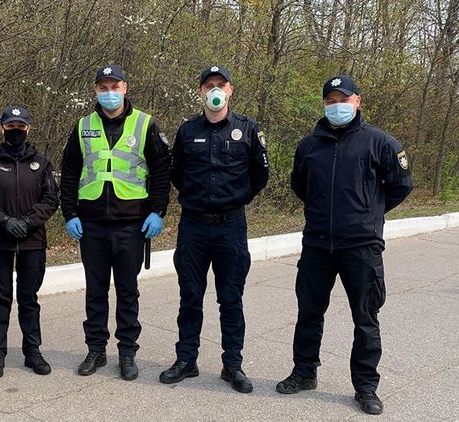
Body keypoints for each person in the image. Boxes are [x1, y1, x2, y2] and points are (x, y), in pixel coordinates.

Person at [276, 75, 413, 415]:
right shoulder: (309, 145)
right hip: (317, 245)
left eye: (343, 99)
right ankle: (304, 372)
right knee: (309, 312)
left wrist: (370, 212)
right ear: (324, 104)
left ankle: (365, 386)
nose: (337, 106)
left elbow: (400, 185)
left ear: (357, 101)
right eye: (331, 100)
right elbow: (300, 185)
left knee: (365, 318)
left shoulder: (380, 142)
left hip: (362, 246)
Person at [159, 65, 269, 393]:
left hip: (231, 227)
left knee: (231, 298)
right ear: (201, 92)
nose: (215, 90)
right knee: (190, 296)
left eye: (221, 84)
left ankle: (232, 364)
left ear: (230, 90)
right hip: (193, 227)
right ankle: (186, 360)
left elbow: (260, 175)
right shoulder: (187, 130)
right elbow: (176, 173)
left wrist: (236, 198)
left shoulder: (248, 128)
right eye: (209, 85)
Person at [60, 65, 171, 381]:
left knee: (127, 291)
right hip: (91, 225)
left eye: (114, 86)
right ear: (96, 90)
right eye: (103, 87)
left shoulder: (145, 124)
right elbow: (70, 173)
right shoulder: (83, 126)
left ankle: (127, 352)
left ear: (125, 88)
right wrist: (70, 213)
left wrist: (158, 211)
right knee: (95, 292)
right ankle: (95, 349)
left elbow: (161, 171)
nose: (109, 92)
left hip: (131, 225)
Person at [0, 105, 59, 379]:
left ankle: (33, 351)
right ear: (2, 128)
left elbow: (51, 198)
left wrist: (28, 221)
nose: (15, 131)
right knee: (1, 299)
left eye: (20, 126)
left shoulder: (41, 163)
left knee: (29, 299)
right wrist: (4, 220)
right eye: (10, 126)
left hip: (33, 241)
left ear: (28, 128)